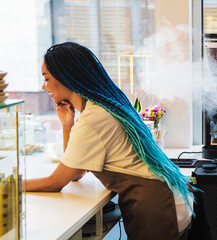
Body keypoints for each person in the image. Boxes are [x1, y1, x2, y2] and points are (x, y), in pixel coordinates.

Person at [26, 42, 193, 240]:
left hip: (157, 205)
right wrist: (67, 124)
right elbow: (76, 172)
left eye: (46, 78)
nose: (44, 86)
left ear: (64, 78)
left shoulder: (93, 119)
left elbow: (55, 182)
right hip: (166, 198)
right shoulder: (101, 107)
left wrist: (9, 186)